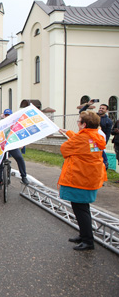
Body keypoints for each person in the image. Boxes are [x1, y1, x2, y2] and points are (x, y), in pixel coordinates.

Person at [58, 111, 107, 251]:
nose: (78, 123)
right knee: (83, 208)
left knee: (80, 210)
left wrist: (70, 137)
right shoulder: (97, 135)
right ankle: (84, 234)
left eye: (79, 122)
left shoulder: (81, 138)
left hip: (80, 178)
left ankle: (88, 241)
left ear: (84, 124)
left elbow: (65, 149)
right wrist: (68, 133)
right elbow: (83, 141)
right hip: (90, 177)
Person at [0, 109, 30, 189]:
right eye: (6, 115)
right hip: (2, 146)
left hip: (12, 144)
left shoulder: (15, 123)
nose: (7, 116)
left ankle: (24, 177)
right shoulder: (0, 124)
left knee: (19, 158)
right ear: (4, 115)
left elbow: (19, 133)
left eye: (9, 115)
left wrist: (21, 144)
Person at [79, 100, 113, 170]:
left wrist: (103, 144)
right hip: (90, 139)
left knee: (99, 159)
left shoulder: (108, 121)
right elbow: (81, 112)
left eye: (103, 108)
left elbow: (107, 133)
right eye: (100, 108)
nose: (100, 109)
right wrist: (88, 104)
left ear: (106, 110)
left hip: (99, 141)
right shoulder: (94, 116)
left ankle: (102, 168)